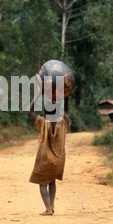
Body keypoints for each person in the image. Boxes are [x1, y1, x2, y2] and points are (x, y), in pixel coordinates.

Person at [28, 86, 71, 216]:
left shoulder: (43, 123)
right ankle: (52, 205)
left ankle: (47, 208)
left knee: (42, 183)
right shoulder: (62, 123)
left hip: (44, 158)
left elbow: (30, 111)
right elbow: (66, 112)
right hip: (58, 160)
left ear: (45, 113)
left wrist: (38, 94)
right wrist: (65, 94)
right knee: (52, 181)